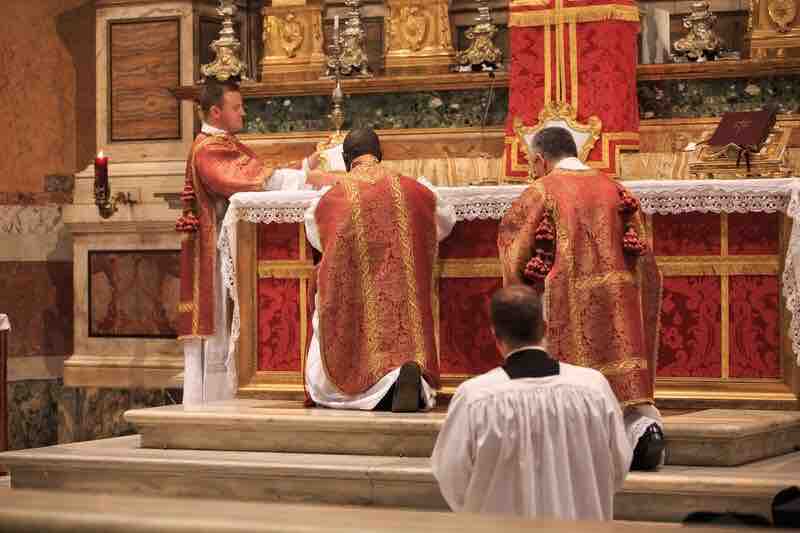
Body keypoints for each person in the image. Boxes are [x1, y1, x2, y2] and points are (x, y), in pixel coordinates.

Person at [497, 126, 665, 470]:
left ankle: (579, 446)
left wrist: (520, 292)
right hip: (619, 299)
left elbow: (515, 249)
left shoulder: (542, 190)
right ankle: (640, 432)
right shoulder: (615, 188)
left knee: (572, 381)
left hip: (567, 299)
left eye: (531, 163)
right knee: (623, 381)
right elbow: (642, 253)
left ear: (541, 160)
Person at [432, 285, 632, 519]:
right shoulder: (593, 388)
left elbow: (452, 477)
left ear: (495, 336)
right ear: (545, 328)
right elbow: (618, 465)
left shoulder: (475, 398)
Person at [176, 78, 319, 405]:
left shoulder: (224, 143)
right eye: (236, 107)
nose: (243, 113)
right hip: (215, 254)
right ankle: (211, 401)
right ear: (216, 112)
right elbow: (251, 182)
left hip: (230, 247)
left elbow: (259, 174)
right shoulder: (208, 149)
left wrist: (303, 169)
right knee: (220, 326)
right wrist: (308, 177)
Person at [303, 127, 456, 412]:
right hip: (401, 289)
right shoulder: (414, 189)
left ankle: (377, 391)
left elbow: (316, 236)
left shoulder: (331, 198)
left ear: (347, 159)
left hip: (355, 291)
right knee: (402, 338)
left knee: (334, 314)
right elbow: (444, 222)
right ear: (380, 154)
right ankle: (402, 380)